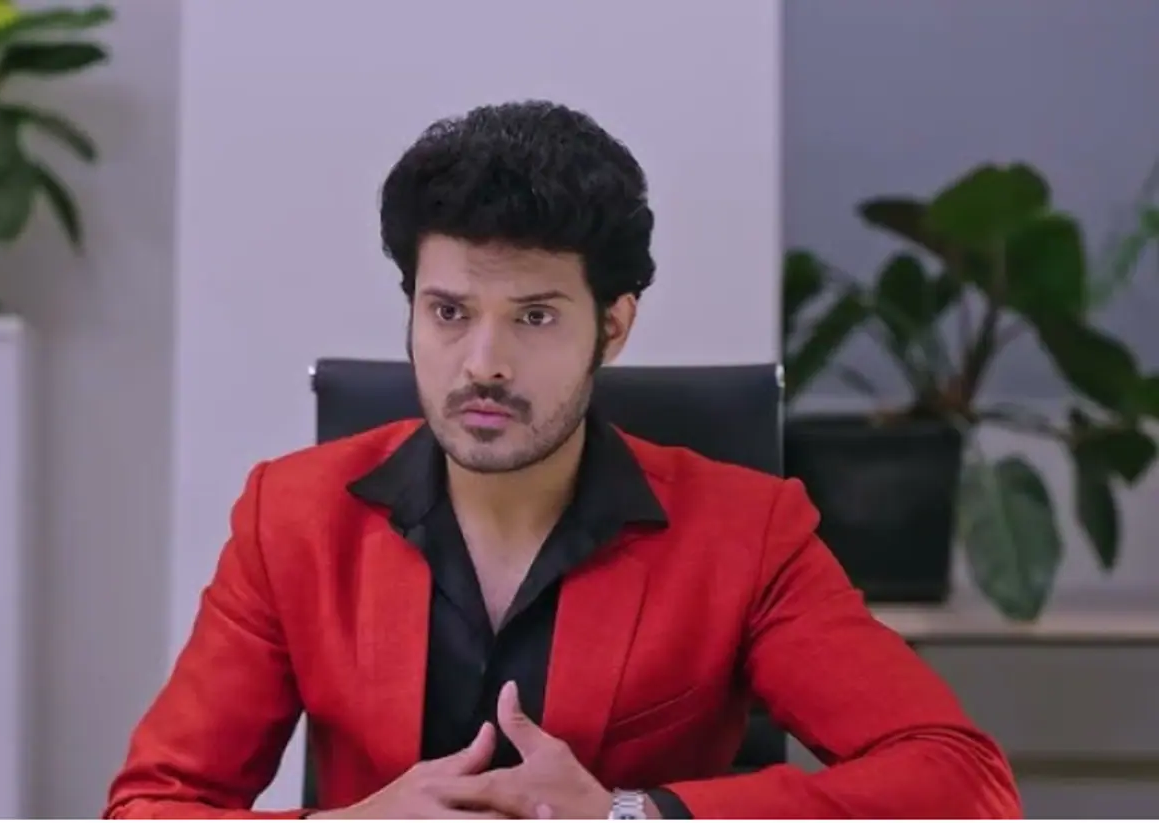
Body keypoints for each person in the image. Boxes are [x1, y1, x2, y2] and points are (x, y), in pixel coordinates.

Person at [104, 100, 1021, 820]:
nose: (484, 363)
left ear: (612, 327)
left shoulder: (747, 534)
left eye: (535, 316)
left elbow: (961, 782)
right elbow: (151, 803)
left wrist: (633, 814)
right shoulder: (292, 518)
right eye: (449, 312)